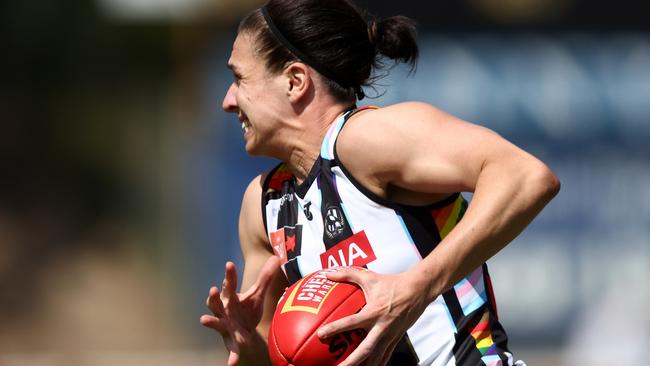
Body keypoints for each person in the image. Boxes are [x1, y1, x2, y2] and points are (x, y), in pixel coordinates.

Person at [199, 0, 560, 365]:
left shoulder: (364, 140)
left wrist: (415, 288)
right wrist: (246, 345)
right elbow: (277, 355)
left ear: (295, 81)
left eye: (239, 79)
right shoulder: (263, 205)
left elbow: (526, 176)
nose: (228, 101)